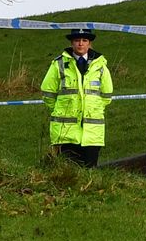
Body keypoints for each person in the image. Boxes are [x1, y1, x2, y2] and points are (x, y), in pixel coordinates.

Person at [40, 28, 113, 168]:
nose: (80, 44)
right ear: (71, 43)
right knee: (67, 173)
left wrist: (94, 108)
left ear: (89, 43)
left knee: (90, 171)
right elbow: (48, 92)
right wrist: (58, 109)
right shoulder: (59, 64)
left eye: (84, 40)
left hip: (92, 132)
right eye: (77, 40)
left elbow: (107, 95)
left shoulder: (100, 66)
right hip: (65, 131)